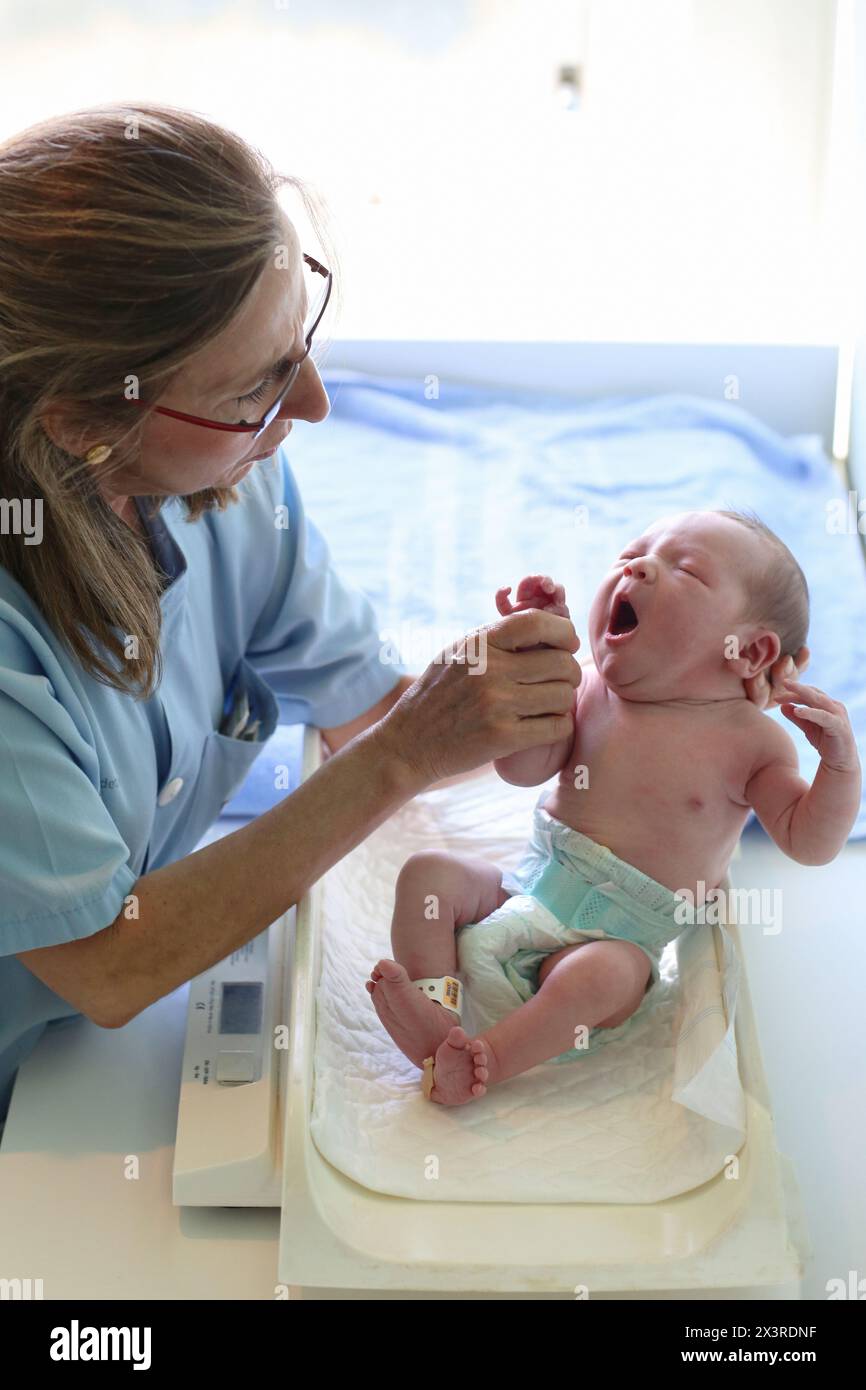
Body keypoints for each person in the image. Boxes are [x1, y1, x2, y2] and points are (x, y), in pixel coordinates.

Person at [0, 104, 803, 1135]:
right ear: (80, 420)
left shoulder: (231, 488)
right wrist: (400, 755)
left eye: (302, 343)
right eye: (259, 388)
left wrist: (574, 712)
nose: (317, 405)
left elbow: (368, 696)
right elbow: (107, 965)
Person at [367, 512, 843, 1104]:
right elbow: (521, 769)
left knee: (603, 977)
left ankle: (487, 1060)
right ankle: (436, 1013)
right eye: (633, 552)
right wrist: (544, 665)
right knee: (428, 875)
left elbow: (809, 840)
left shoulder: (752, 744)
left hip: (613, 940)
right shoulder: (590, 687)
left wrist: (839, 768)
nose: (638, 566)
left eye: (687, 571)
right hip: (522, 894)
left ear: (749, 651)